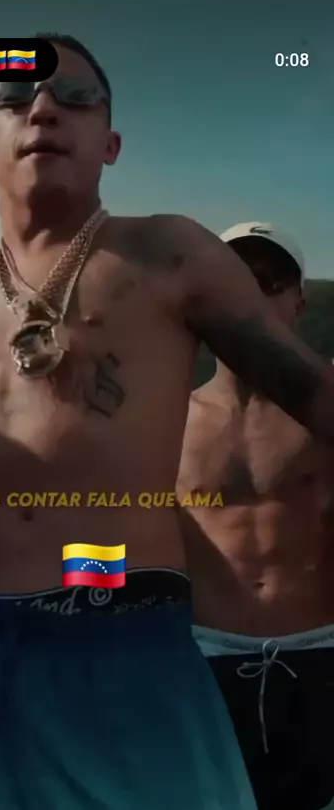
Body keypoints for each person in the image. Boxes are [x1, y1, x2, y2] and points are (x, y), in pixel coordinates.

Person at [0, 33, 334, 809]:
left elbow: (314, 393)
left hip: (128, 637)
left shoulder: (169, 252)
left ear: (110, 144)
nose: (44, 107)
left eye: (76, 97)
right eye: (15, 97)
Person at [177, 222, 334, 810]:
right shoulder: (170, 420)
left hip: (321, 657)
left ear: (299, 303)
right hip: (204, 659)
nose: (252, 298)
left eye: (270, 284)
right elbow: (123, 540)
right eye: (237, 282)